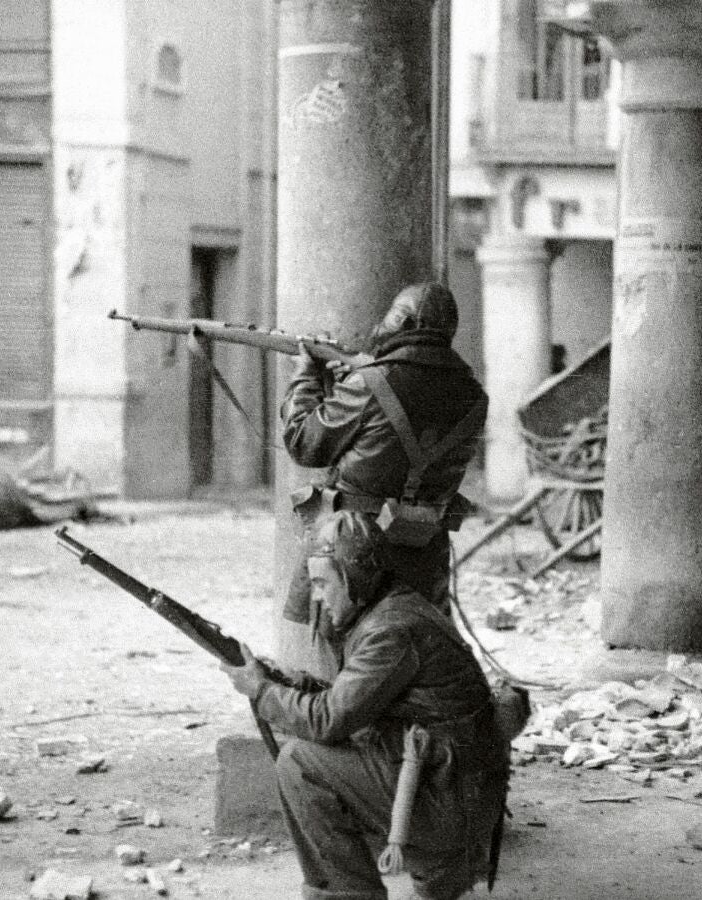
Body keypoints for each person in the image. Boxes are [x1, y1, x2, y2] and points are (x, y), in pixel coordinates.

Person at [218, 511, 510, 900]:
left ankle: (350, 894)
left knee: (299, 763)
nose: (317, 597)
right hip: (458, 787)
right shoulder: (394, 608)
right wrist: (290, 683)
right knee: (336, 750)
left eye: (322, 583)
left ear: (354, 577)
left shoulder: (389, 630)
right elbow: (357, 700)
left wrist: (261, 691)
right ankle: (438, 864)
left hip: (452, 799)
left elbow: (326, 720)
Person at [281, 282, 488, 664]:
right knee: (413, 651)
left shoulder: (370, 382)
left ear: (404, 322)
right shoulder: (475, 394)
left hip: (353, 544)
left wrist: (305, 378)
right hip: (424, 546)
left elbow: (304, 444)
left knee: (336, 658)